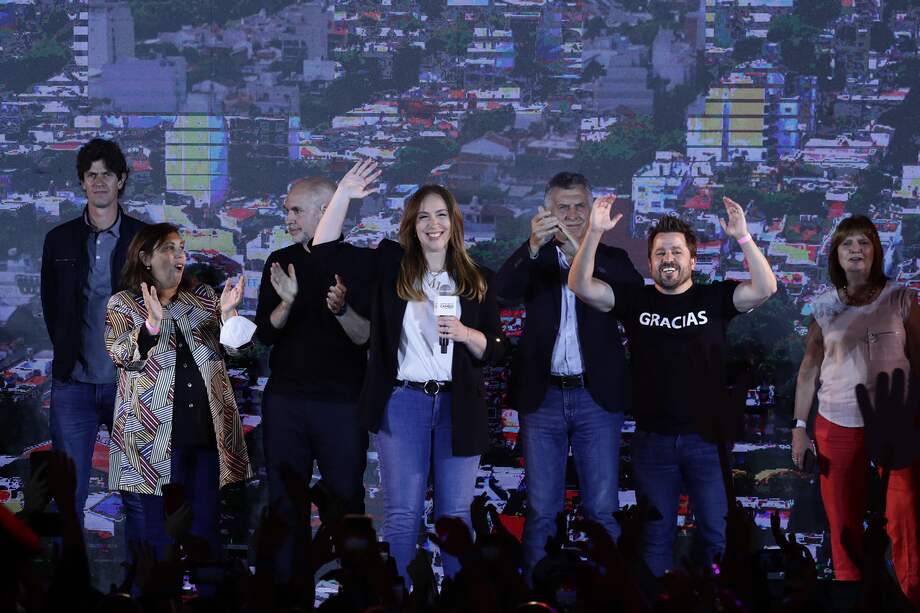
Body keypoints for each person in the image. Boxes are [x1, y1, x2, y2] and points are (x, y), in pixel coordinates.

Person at [312, 160, 508, 583]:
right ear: (412, 225)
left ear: (454, 223)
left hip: (460, 406)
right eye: (423, 217)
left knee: (455, 517)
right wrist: (343, 193)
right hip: (403, 402)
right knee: (402, 514)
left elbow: (495, 348)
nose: (433, 224)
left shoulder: (477, 280)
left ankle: (458, 597)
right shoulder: (390, 265)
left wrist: (465, 332)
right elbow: (325, 249)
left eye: (441, 215)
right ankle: (400, 597)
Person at [567, 198, 776, 577]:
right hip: (653, 443)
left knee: (716, 535)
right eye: (660, 252)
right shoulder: (635, 300)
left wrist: (743, 236)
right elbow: (580, 285)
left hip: (707, 443)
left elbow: (765, 287)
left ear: (692, 261)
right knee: (655, 538)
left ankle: (714, 601)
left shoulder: (713, 298)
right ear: (650, 262)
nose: (668, 258)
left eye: (677, 251)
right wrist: (595, 231)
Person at [494, 172, 642, 578]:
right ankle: (537, 593)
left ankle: (609, 592)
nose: (573, 214)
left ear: (593, 209)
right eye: (564, 207)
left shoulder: (614, 260)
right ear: (546, 211)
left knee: (601, 508)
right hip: (542, 399)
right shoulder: (534, 258)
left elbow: (629, 300)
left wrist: (582, 249)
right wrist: (532, 245)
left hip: (597, 398)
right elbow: (503, 290)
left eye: (581, 206)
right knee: (542, 509)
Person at [792, 215, 920, 605]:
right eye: (847, 244)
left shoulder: (901, 297)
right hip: (837, 423)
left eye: (864, 243)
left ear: (876, 251)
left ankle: (909, 598)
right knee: (842, 523)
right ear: (836, 255)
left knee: (905, 521)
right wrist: (800, 427)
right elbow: (809, 370)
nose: (855, 250)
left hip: (895, 424)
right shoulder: (824, 306)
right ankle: (852, 599)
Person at [105, 223, 252, 556]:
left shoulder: (202, 298)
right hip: (151, 441)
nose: (179, 256)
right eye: (168, 248)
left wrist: (229, 314)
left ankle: (205, 598)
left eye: (181, 248)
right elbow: (121, 355)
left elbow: (239, 352)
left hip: (204, 436)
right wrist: (152, 325)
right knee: (156, 539)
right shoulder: (124, 303)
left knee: (204, 532)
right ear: (145, 258)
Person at [254, 177, 371, 582]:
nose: (288, 218)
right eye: (287, 209)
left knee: (346, 505)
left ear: (326, 212)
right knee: (285, 506)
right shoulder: (278, 260)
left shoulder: (358, 263)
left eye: (296, 210)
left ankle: (356, 594)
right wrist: (286, 304)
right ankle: (288, 597)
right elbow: (265, 336)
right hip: (286, 402)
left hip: (341, 405)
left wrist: (341, 311)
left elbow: (365, 337)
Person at [40, 138, 147, 527]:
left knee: (139, 500)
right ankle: (70, 586)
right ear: (82, 183)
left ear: (121, 180)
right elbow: (52, 306)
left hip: (130, 385)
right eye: (91, 175)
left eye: (107, 175)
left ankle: (144, 587)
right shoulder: (60, 240)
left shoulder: (145, 240)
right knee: (69, 500)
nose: (99, 182)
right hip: (74, 386)